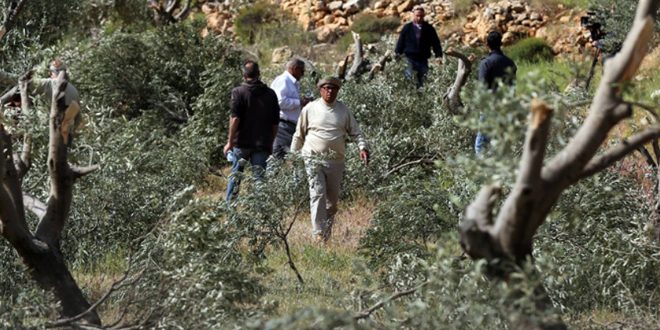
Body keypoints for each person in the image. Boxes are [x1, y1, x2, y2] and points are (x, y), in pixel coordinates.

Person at [290, 76, 369, 243]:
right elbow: (299, 135)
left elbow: (356, 133)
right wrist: (293, 156)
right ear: (321, 90)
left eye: (333, 88)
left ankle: (326, 236)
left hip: (336, 161)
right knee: (317, 194)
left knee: (331, 203)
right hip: (313, 158)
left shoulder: (343, 110)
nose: (330, 91)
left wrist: (362, 147)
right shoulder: (310, 109)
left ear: (338, 91)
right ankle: (318, 234)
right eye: (326, 88)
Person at [224, 60, 280, 202]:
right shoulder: (271, 94)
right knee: (259, 180)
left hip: (241, 143)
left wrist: (229, 142)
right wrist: (271, 143)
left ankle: (230, 208)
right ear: (259, 74)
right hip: (262, 144)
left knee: (236, 177)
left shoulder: (238, 92)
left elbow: (235, 119)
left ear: (243, 75)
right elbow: (275, 123)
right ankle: (259, 211)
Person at [0, 59, 81, 144]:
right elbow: (78, 117)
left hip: (44, 132)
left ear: (51, 73)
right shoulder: (74, 91)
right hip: (65, 136)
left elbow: (20, 80)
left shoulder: (49, 84)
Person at [474, 31, 517, 155]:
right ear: (501, 43)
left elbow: (482, 87)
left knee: (481, 144)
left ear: (487, 44)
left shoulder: (486, 63)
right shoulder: (510, 62)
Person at [270, 58, 311, 159]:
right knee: (278, 157)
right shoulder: (283, 80)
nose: (303, 74)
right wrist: (299, 102)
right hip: (283, 126)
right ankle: (271, 175)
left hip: (289, 126)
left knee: (290, 158)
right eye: (302, 71)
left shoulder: (291, 82)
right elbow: (279, 102)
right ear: (295, 68)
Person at [394, 6, 443, 88]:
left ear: (424, 16)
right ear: (413, 15)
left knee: (423, 82)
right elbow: (401, 42)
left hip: (423, 60)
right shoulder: (407, 28)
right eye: (417, 15)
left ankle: (421, 99)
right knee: (410, 80)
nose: (419, 17)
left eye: (421, 16)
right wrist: (397, 53)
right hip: (409, 59)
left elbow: (436, 43)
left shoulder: (429, 28)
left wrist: (438, 56)